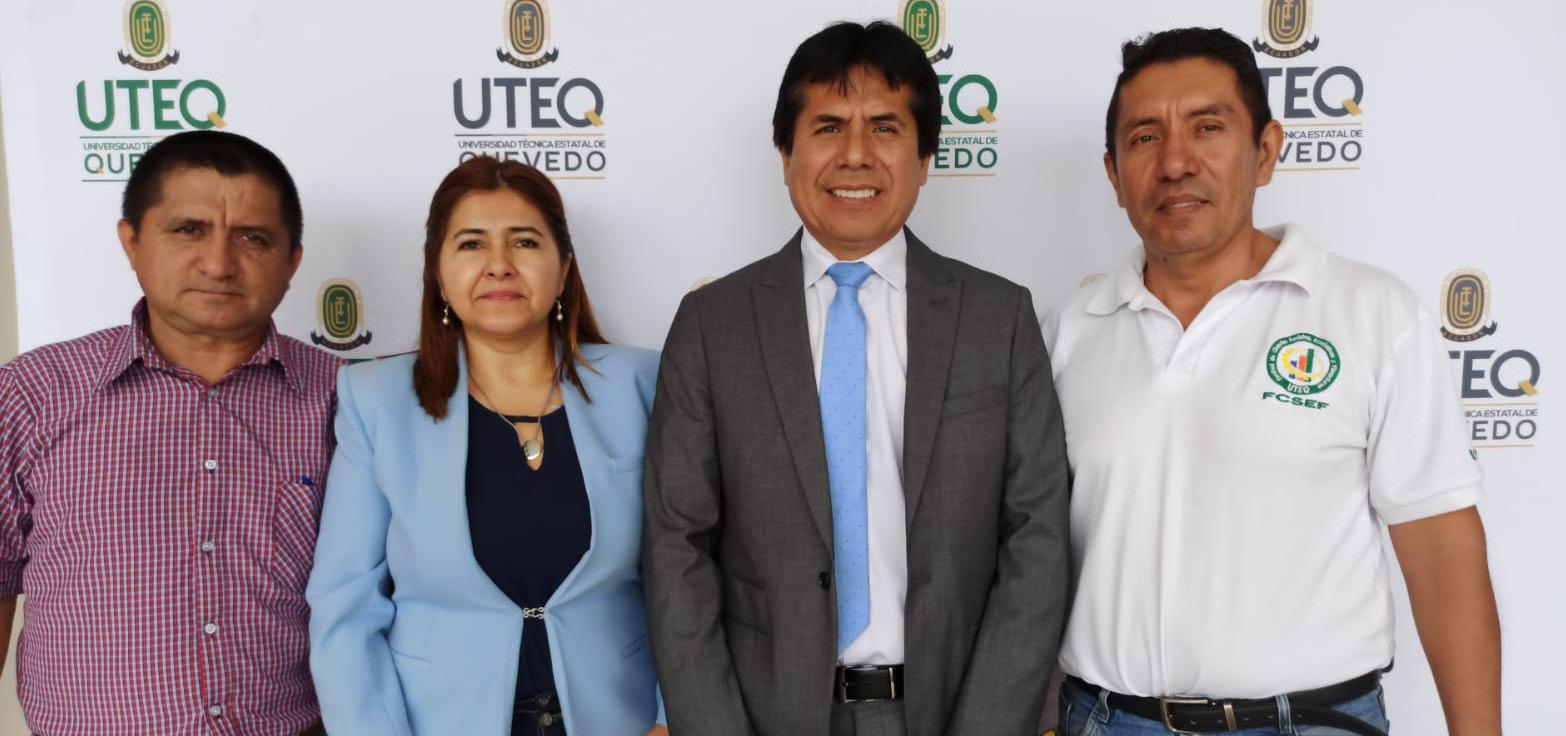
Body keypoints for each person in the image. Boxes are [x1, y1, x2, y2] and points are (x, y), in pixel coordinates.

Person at [1042, 27, 1502, 736]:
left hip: (1311, 721)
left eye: (1208, 127)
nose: (1175, 163)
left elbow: (1442, 552)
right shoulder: (1065, 330)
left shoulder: (1372, 314)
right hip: (1105, 719)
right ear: (1113, 172)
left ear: (1265, 151)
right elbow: (1030, 558)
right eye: (1144, 138)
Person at [642, 21, 1071, 736]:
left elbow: (1038, 537)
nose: (855, 154)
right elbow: (675, 547)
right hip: (766, 716)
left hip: (948, 712)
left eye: (885, 127)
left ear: (926, 157)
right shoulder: (713, 325)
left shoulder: (998, 318)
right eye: (828, 126)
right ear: (786, 154)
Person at [306, 157, 665, 736]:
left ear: (564, 267)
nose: (499, 264)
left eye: (524, 241)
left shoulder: (643, 384)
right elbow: (345, 607)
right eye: (471, 244)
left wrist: (671, 719)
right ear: (438, 273)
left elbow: (693, 573)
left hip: (623, 720)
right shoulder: (375, 400)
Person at [0, 130, 340, 734]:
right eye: (189, 230)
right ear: (131, 241)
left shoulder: (347, 399)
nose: (219, 263)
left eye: (253, 238)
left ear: (292, 261)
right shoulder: (33, 392)